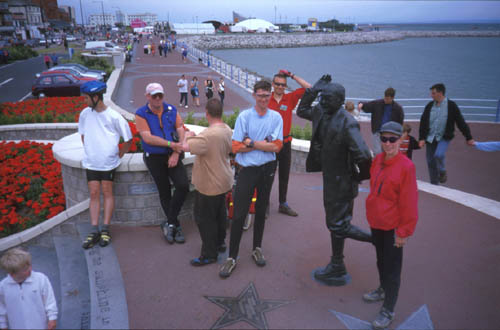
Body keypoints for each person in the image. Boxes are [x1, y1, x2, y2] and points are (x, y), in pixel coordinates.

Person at [297, 74, 373, 286]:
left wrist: (358, 177)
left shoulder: (348, 123)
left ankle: (377, 240)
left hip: (342, 181)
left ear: (340, 101)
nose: (321, 101)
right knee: (337, 223)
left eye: (326, 98)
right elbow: (301, 110)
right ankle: (337, 264)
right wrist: (314, 89)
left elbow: (365, 156)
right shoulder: (321, 110)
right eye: (321, 97)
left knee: (337, 224)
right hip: (330, 176)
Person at [219, 80, 283, 278]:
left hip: (268, 168)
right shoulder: (244, 117)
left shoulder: (276, 117)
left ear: (270, 95)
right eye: (260, 95)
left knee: (262, 210)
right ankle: (232, 257)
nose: (263, 99)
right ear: (254, 95)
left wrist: (252, 142)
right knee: (239, 213)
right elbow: (236, 147)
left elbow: (277, 146)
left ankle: (257, 248)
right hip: (247, 170)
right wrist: (264, 144)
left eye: (266, 95)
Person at [364, 121, 418, 329]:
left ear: (401, 139)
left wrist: (403, 232)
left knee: (393, 269)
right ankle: (382, 289)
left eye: (392, 139)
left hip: (394, 227)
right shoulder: (377, 160)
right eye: (384, 139)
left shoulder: (407, 167)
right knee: (381, 261)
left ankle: (388, 309)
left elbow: (409, 203)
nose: (387, 143)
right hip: (376, 222)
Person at [78, 80, 132, 249]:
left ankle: (105, 229)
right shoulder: (85, 114)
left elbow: (128, 139)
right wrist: (90, 150)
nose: (85, 101)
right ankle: (94, 230)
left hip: (108, 164)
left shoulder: (114, 116)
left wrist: (119, 153)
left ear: (96, 97)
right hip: (92, 162)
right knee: (94, 193)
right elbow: (83, 134)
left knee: (107, 192)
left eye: (87, 98)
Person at [135, 83, 189, 244]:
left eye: (160, 95)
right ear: (147, 96)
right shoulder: (141, 114)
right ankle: (176, 225)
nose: (158, 99)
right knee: (164, 190)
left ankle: (170, 222)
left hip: (173, 154)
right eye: (154, 96)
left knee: (183, 186)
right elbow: (147, 137)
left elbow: (181, 130)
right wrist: (171, 145)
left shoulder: (171, 110)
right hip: (154, 157)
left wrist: (175, 152)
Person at [182, 99, 234, 266]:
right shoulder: (226, 129)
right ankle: (220, 243)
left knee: (205, 219)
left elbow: (185, 147)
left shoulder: (207, 136)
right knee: (220, 214)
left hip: (209, 184)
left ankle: (209, 254)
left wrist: (187, 135)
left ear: (207, 113)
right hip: (224, 180)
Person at [268, 70, 311, 217]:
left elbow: (309, 88)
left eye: (283, 85)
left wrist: (292, 75)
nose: (280, 87)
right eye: (278, 84)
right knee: (268, 175)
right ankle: (264, 204)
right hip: (270, 145)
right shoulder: (266, 100)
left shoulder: (290, 99)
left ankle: (283, 204)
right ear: (273, 85)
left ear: (286, 86)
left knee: (284, 176)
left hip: (286, 144)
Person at [418, 83, 475, 185]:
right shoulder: (429, 106)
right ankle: (434, 184)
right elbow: (423, 122)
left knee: (439, 154)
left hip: (444, 137)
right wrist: (422, 138)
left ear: (440, 93)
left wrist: (468, 137)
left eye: (433, 93)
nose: (431, 95)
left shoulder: (451, 106)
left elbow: (460, 122)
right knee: (430, 161)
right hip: (430, 137)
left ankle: (442, 171)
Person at [0, 248, 58, 330]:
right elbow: (1, 309)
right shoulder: (3, 287)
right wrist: (3, 325)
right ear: (12, 273)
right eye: (25, 270)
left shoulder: (40, 279)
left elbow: (49, 300)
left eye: (29, 266)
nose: (30, 269)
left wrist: (52, 318)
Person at [358, 87, 404, 155]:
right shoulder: (377, 103)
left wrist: (399, 135)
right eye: (385, 97)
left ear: (392, 98)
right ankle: (378, 164)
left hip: (389, 133)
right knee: (377, 152)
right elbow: (367, 106)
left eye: (387, 99)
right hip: (377, 131)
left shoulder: (398, 109)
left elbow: (400, 123)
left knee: (387, 152)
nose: (385, 100)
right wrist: (361, 104)